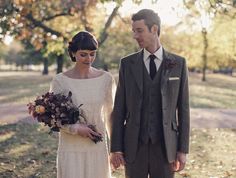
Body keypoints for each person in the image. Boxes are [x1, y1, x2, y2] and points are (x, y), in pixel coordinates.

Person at [109, 9, 190, 178]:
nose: (135, 36)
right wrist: (116, 148)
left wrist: (183, 149)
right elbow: (119, 108)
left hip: (165, 147)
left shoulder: (178, 64)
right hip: (133, 146)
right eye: (133, 31)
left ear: (154, 29)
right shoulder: (127, 64)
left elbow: (183, 110)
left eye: (139, 31)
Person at [50, 31, 116, 178]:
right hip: (71, 147)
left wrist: (115, 149)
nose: (89, 58)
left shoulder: (106, 79)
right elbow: (52, 118)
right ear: (73, 53)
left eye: (92, 54)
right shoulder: (60, 81)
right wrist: (75, 128)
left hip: (97, 147)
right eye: (83, 54)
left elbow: (111, 115)